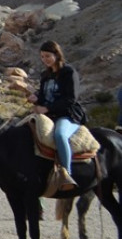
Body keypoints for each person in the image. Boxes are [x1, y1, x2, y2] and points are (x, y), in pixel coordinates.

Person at [26, 40, 86, 191]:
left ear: (56, 55)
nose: (45, 59)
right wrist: (36, 98)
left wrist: (46, 108)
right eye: (42, 57)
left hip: (67, 115)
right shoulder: (45, 75)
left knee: (59, 135)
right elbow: (44, 96)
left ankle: (66, 174)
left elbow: (71, 98)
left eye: (47, 56)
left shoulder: (68, 72)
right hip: (49, 114)